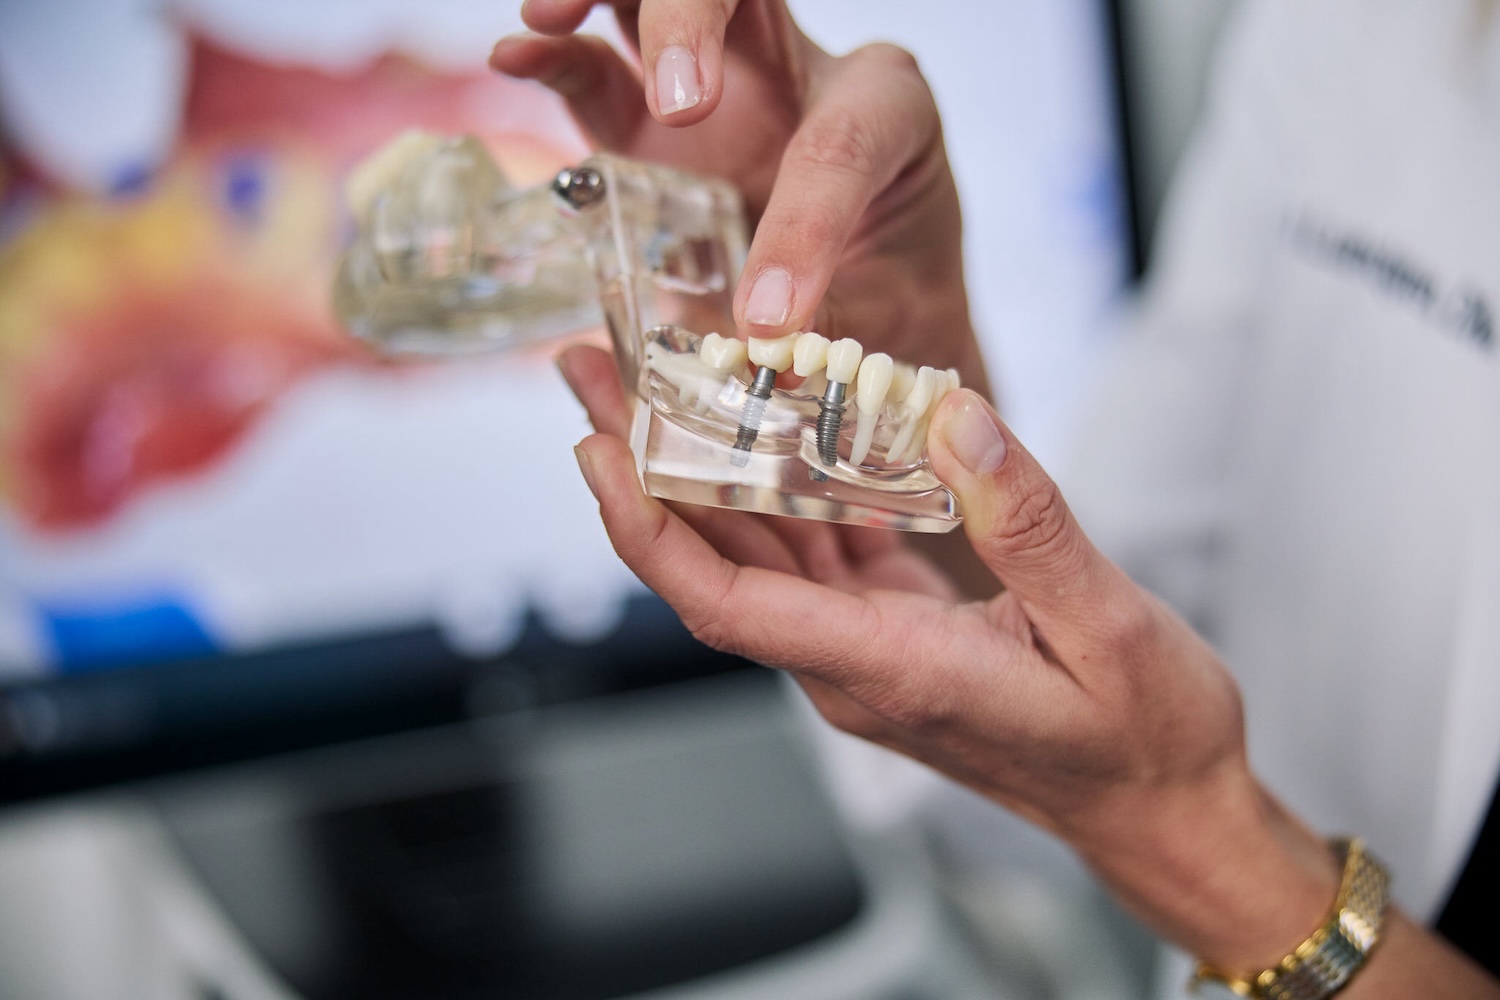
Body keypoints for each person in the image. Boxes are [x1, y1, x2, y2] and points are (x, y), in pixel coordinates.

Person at [491, 0, 1500, 995]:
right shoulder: (1343, 29)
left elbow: (1152, 782)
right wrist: (901, 398)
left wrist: (1196, 846)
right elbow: (1106, 651)